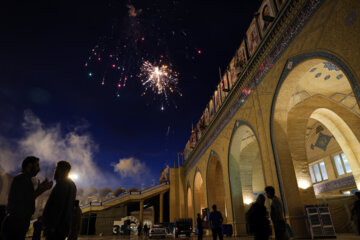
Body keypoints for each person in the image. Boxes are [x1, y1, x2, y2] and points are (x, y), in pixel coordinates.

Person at [0, 156, 53, 240]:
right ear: (29, 165)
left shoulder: (25, 179)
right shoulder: (22, 178)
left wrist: (41, 189)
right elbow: (27, 199)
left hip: (18, 222)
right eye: (37, 165)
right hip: (16, 223)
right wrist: (42, 189)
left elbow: (27, 198)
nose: (39, 169)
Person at [43, 161, 77, 240]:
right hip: (63, 227)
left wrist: (52, 226)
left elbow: (58, 206)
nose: (55, 171)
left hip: (55, 228)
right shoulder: (72, 185)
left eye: (56, 168)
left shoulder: (62, 184)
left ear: (60, 170)